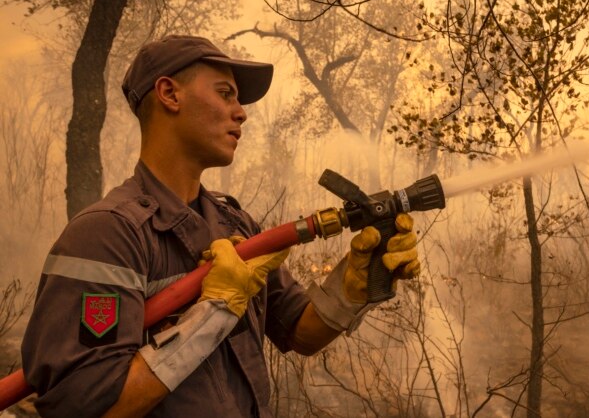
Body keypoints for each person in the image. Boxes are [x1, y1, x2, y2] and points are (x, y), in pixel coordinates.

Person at [21, 35, 420, 417]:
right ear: (169, 94)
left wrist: (352, 286)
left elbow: (299, 331)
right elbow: (90, 406)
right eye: (225, 94)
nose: (241, 111)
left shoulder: (236, 225)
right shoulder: (106, 234)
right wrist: (214, 311)